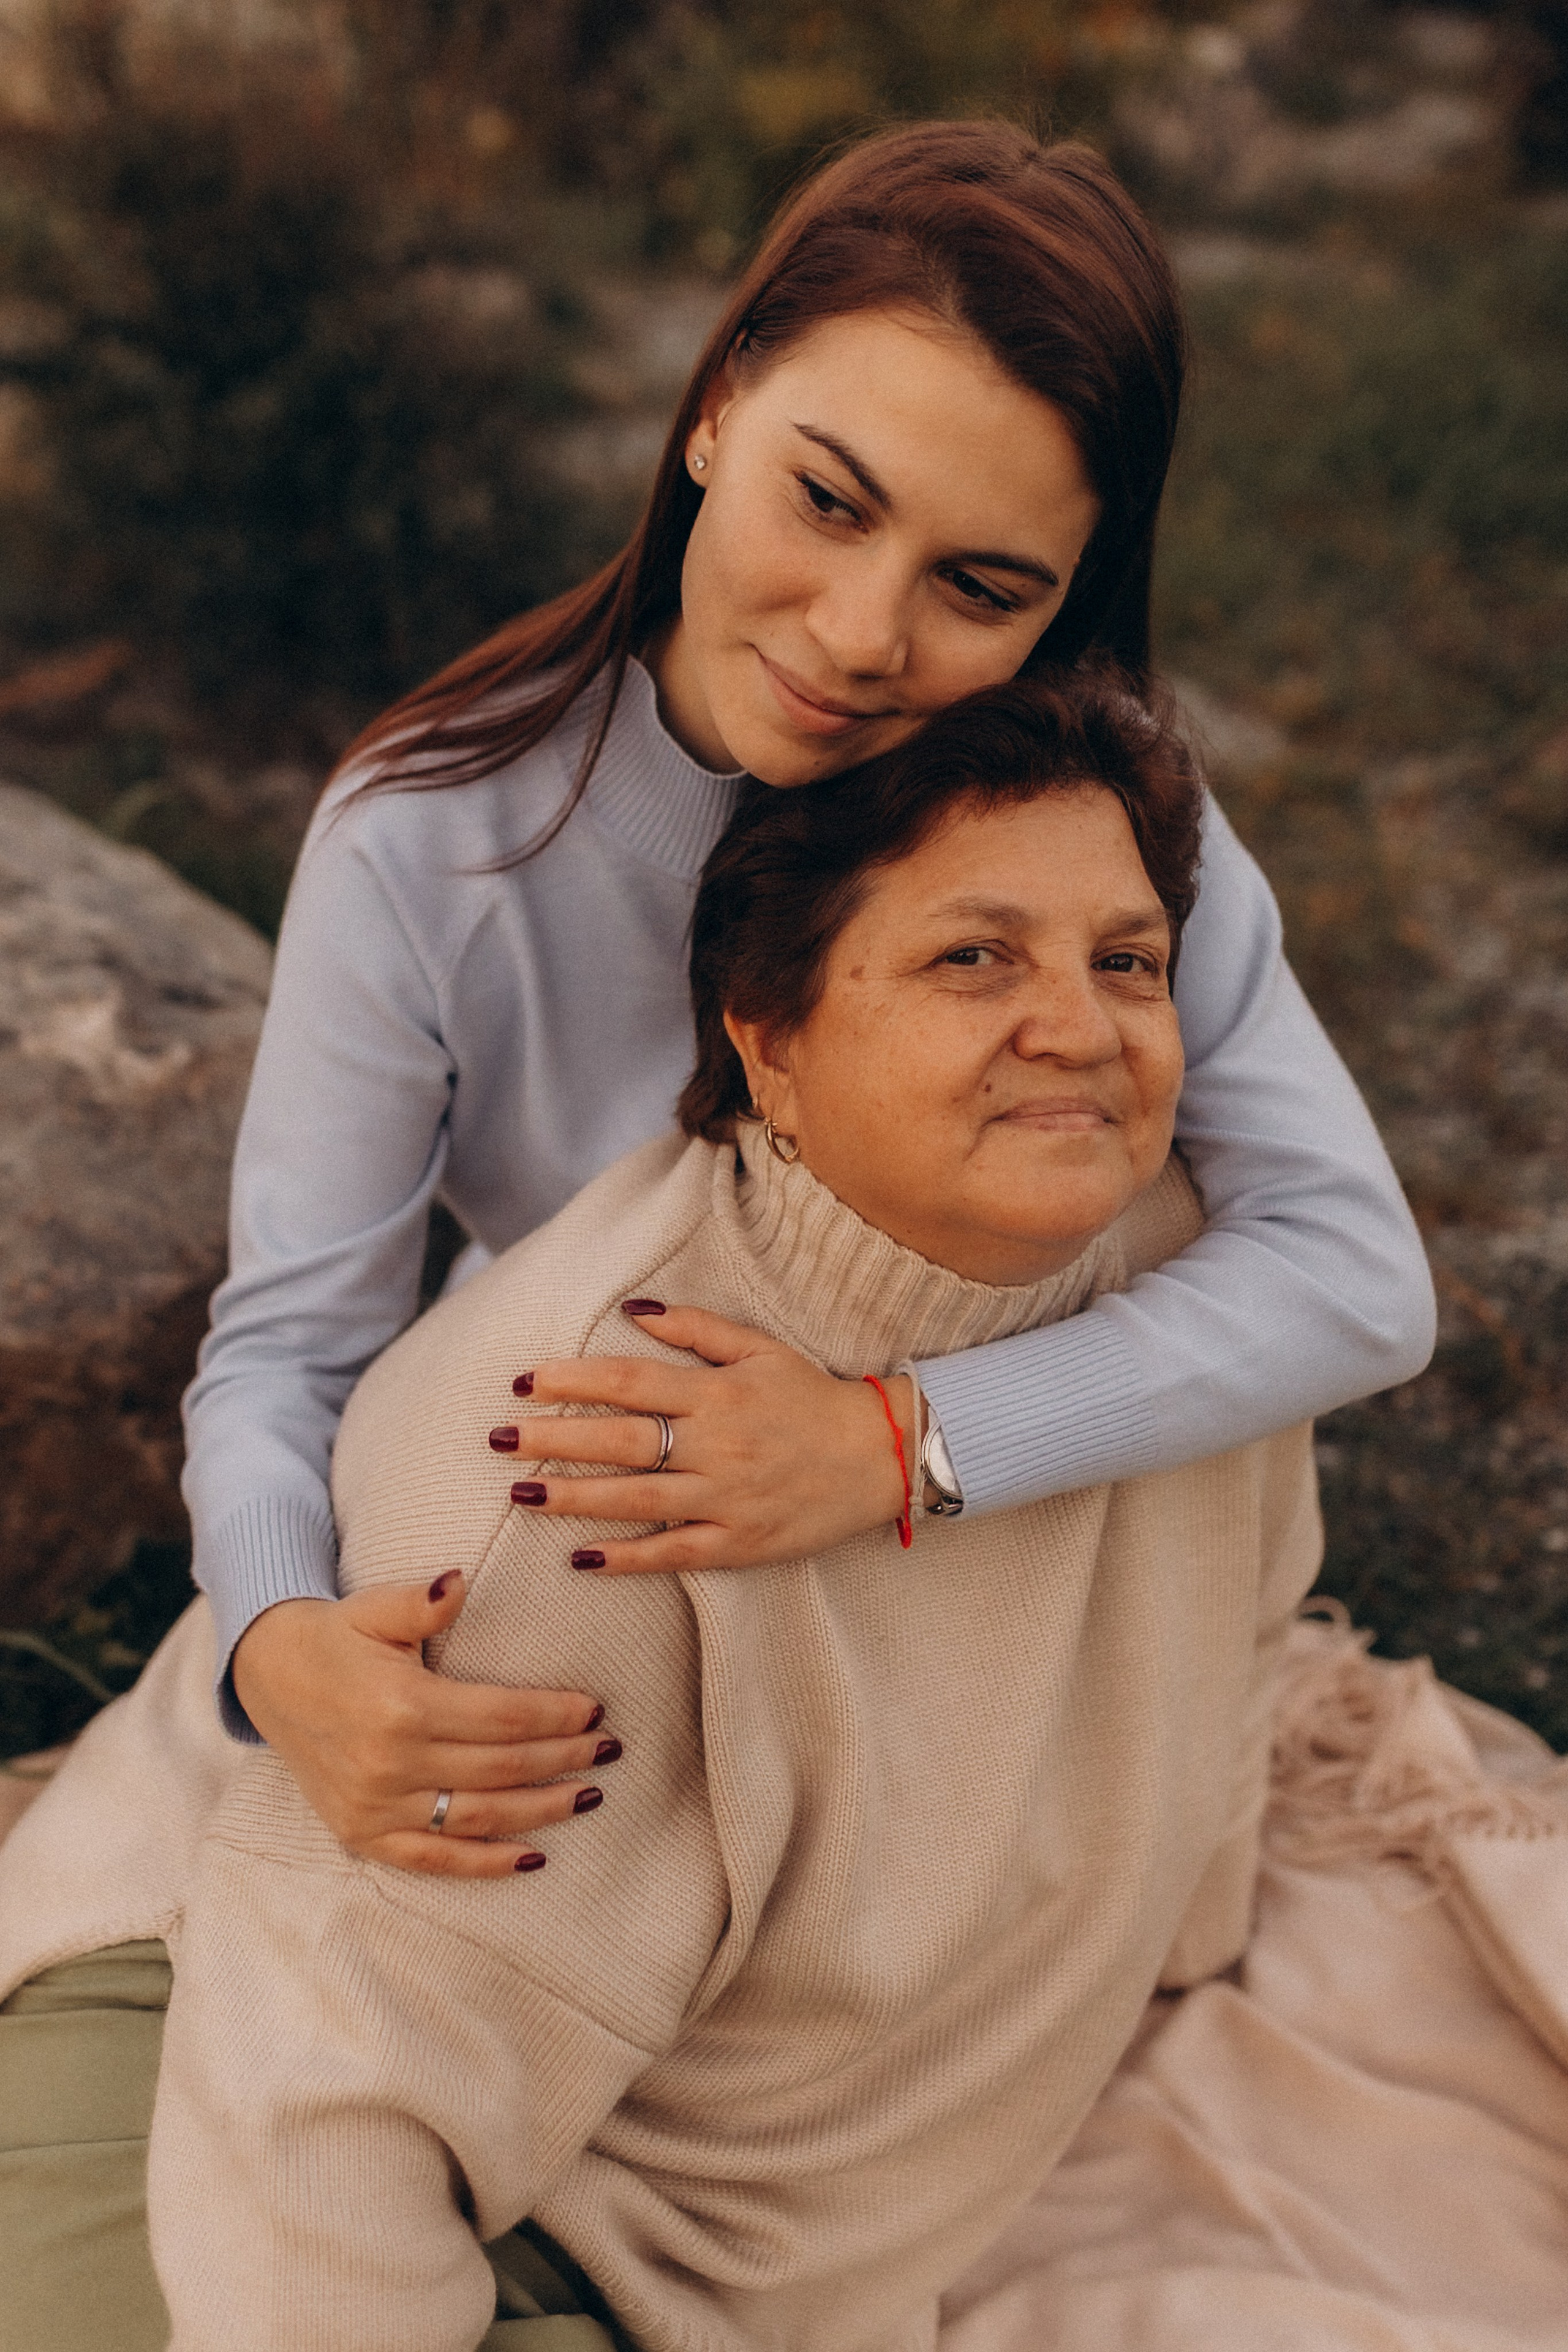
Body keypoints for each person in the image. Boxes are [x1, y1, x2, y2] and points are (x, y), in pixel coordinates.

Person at [0, 673, 1327, 2351]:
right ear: (768, 1043)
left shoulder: (1205, 1311)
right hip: (213, 2092)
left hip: (617, 2163)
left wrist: (1177, 1938)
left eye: (1124, 960)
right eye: (971, 957)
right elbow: (314, 2112)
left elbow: (1240, 1638)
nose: (1077, 1024)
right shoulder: (590, 1460)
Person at [177, 119, 1434, 1880]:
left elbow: (1356, 1275)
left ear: (1072, 592)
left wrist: (897, 1448)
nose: (859, 637)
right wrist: (272, 1646)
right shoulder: (434, 842)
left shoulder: (1105, 835)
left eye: (981, 587)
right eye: (827, 501)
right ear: (714, 408)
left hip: (979, 1540)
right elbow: (289, 1347)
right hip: (626, 1543)